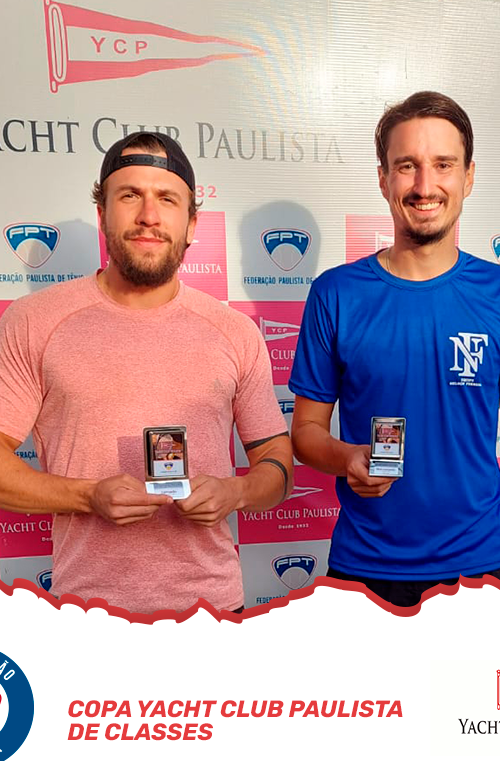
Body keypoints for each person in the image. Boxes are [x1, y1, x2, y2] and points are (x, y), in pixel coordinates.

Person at [0, 131, 292, 614]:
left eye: (167, 199)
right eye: (130, 195)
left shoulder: (235, 332)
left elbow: (278, 464)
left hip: (215, 613)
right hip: (88, 618)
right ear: (102, 214)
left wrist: (236, 491)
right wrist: (87, 496)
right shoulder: (34, 321)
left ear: (192, 224)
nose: (149, 216)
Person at [289, 91, 500, 608]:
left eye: (443, 165)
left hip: (482, 564)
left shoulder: (496, 293)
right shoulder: (336, 293)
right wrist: (348, 457)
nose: (425, 186)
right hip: (366, 567)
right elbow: (306, 433)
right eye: (407, 166)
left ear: (469, 176)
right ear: (383, 178)